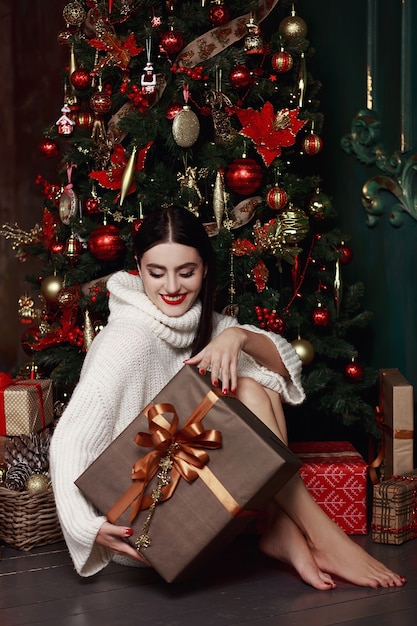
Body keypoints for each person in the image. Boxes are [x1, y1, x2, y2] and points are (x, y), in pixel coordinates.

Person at [50, 205, 406, 590]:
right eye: (156, 273)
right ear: (139, 267)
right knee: (251, 388)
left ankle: (282, 527)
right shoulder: (126, 341)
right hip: (153, 529)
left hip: (206, 513)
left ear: (205, 269)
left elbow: (284, 369)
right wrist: (86, 527)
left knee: (256, 383)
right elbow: (69, 440)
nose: (172, 287)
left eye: (186, 272)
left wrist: (239, 337)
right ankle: (319, 533)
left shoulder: (202, 322)